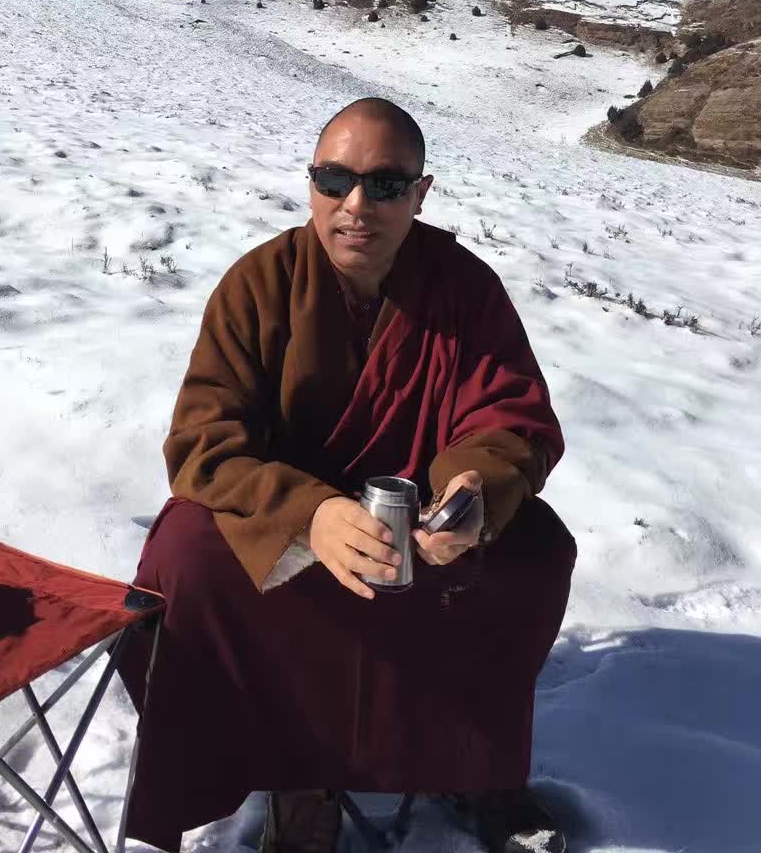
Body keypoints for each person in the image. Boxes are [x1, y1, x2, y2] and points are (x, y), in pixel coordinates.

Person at [121, 97, 576, 853]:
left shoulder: (465, 289)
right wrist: (312, 515)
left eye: (386, 185)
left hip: (417, 534)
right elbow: (205, 444)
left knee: (537, 550)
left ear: (421, 194)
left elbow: (508, 417)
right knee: (189, 554)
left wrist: (472, 492)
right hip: (291, 533)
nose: (356, 205)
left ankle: (474, 765)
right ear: (311, 185)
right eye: (334, 180)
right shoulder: (260, 283)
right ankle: (299, 776)